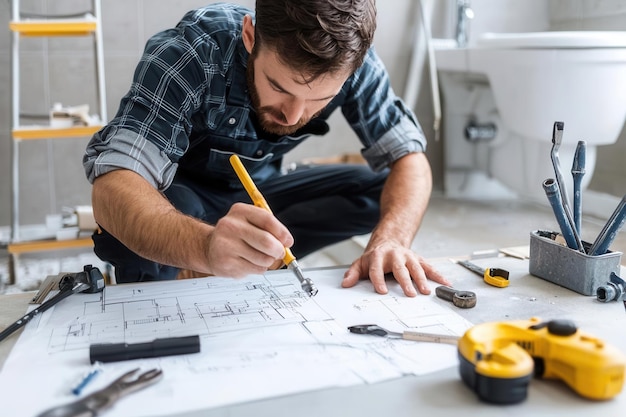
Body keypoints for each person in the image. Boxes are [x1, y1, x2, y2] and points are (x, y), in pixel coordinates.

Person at [83, 0, 450, 296]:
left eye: (317, 100)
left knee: (377, 192)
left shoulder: (357, 64)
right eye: (279, 87)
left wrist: (391, 241)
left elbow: (410, 160)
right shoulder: (193, 52)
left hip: (259, 196)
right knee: (127, 230)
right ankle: (185, 271)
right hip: (179, 197)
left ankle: (257, 256)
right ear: (250, 36)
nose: (293, 116)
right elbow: (113, 186)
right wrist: (204, 246)